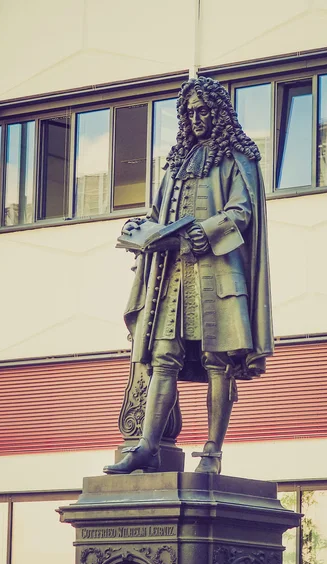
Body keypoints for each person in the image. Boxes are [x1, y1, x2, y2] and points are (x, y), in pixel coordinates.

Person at [104, 76, 273, 476]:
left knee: (218, 361)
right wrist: (141, 230)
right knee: (163, 355)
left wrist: (206, 229)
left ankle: (212, 452)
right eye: (189, 112)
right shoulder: (177, 163)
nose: (196, 118)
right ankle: (147, 446)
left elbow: (241, 212)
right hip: (172, 276)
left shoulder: (238, 159)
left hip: (217, 275)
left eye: (203, 110)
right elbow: (159, 214)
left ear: (218, 113)